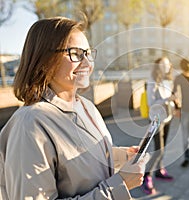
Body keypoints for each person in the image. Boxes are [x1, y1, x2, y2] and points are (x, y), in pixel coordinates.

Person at [0, 17, 149, 199]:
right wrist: (120, 185)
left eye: (88, 53)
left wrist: (119, 156)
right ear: (45, 59)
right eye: (76, 54)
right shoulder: (29, 125)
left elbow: (74, 161)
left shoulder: (86, 106)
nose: (87, 63)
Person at [141, 57, 175, 194]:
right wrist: (168, 99)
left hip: (168, 117)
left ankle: (159, 171)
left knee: (163, 147)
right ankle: (146, 177)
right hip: (156, 118)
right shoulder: (152, 80)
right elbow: (151, 102)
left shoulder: (168, 79)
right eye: (163, 64)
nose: (166, 66)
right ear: (157, 66)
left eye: (167, 64)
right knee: (158, 150)